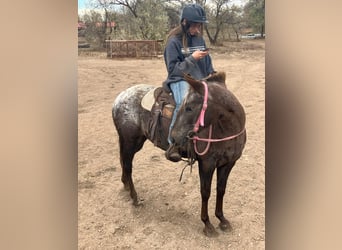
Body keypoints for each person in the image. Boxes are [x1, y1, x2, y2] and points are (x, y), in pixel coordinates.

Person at [162, 3, 216, 162]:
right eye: (195, 25)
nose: (198, 29)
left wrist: (212, 72)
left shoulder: (199, 39)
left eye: (200, 25)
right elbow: (173, 70)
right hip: (180, 79)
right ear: (185, 23)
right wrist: (192, 59)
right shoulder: (173, 42)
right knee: (184, 103)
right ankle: (173, 143)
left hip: (199, 78)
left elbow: (207, 60)